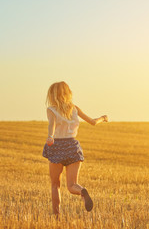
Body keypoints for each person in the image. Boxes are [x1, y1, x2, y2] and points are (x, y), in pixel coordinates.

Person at [42, 81, 108, 215]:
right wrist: (103, 118)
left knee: (56, 185)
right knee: (72, 185)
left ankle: (57, 216)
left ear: (52, 95)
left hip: (57, 146)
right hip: (73, 146)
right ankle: (82, 191)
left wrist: (50, 136)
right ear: (68, 93)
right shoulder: (74, 108)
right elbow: (93, 122)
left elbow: (52, 124)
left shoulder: (51, 110)